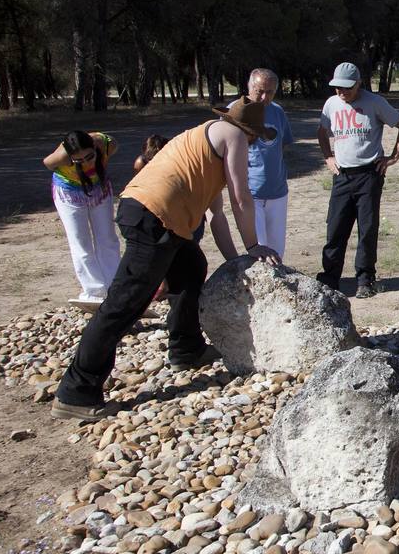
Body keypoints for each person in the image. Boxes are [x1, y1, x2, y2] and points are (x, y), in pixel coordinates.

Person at [51, 101, 281, 421]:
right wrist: (254, 244)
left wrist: (239, 258)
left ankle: (186, 349)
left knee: (191, 266)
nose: (254, 144)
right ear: (251, 131)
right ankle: (75, 392)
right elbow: (241, 197)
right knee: (123, 304)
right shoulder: (235, 138)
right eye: (257, 137)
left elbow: (217, 214)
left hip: (147, 211)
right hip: (154, 218)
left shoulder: (203, 138)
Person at [316, 61, 399, 299]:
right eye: (337, 87)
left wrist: (393, 158)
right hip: (342, 176)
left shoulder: (375, 102)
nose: (342, 92)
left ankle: (365, 280)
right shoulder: (331, 104)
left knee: (367, 230)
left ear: (359, 83)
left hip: (369, 174)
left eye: (347, 87)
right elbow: (321, 131)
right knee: (335, 228)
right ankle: (329, 279)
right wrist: (328, 156)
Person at [44, 130, 122, 309]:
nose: (86, 163)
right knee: (80, 241)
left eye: (90, 157)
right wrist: (65, 159)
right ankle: (94, 291)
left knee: (107, 238)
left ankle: (113, 286)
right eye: (78, 161)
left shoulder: (104, 143)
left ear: (95, 148)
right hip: (69, 193)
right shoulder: (62, 156)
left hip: (99, 189)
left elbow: (115, 144)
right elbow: (47, 163)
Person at [228, 68, 296, 258]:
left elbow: (282, 145)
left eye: (271, 92)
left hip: (277, 191)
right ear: (249, 87)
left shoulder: (277, 112)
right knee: (259, 250)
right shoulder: (237, 110)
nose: (265, 97)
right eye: (260, 91)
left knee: (277, 250)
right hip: (250, 192)